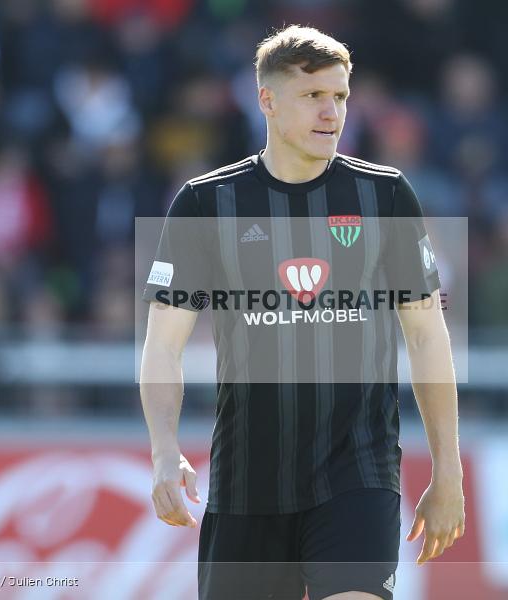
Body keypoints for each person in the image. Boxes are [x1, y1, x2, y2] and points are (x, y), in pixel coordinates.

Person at [139, 25, 464, 600]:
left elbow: (426, 336)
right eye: (313, 96)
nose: (331, 112)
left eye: (340, 96)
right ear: (267, 100)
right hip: (247, 480)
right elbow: (162, 344)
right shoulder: (206, 203)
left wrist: (448, 470)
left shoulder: (385, 197)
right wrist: (165, 454)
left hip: (358, 473)